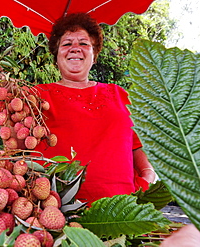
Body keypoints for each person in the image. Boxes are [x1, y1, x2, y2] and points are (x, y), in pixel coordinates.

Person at [31, 13, 156, 205]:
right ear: (56, 56)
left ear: (94, 54)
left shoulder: (119, 94)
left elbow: (137, 144)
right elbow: (16, 143)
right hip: (54, 215)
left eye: (83, 43)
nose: (75, 48)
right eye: (66, 44)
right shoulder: (35, 96)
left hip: (122, 209)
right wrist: (5, 87)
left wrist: (147, 175)